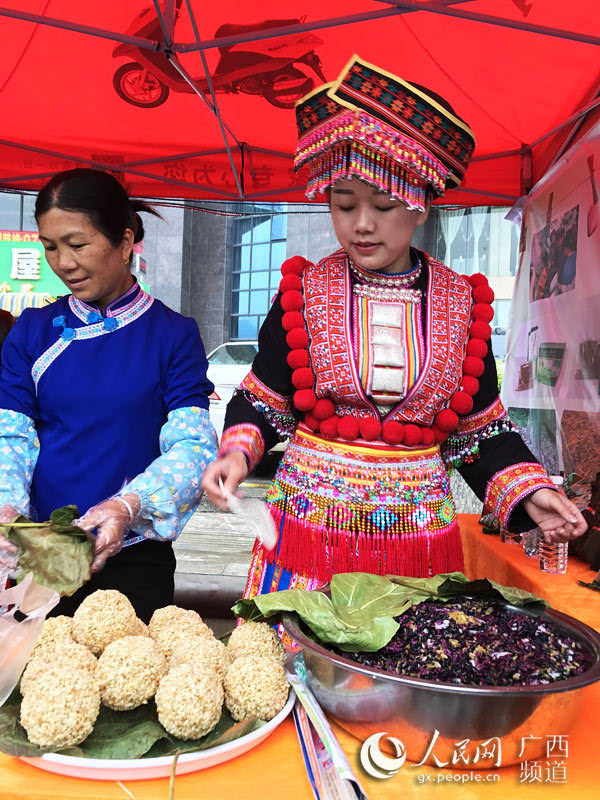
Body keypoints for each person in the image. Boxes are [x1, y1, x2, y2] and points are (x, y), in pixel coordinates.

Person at [202, 55, 586, 604]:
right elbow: (263, 401)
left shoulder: (461, 303)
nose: (361, 223)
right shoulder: (303, 293)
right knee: (295, 670)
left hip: (415, 539)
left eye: (383, 205)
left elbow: (479, 430)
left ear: (423, 205)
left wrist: (530, 493)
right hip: (307, 533)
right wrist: (237, 453)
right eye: (343, 205)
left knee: (403, 668)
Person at [0, 169, 217, 621]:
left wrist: (127, 506)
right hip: (40, 557)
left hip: (134, 560)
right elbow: (11, 438)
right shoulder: (33, 332)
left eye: (77, 245)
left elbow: (193, 447)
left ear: (124, 242)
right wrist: (7, 512)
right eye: (50, 247)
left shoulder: (173, 336)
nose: (63, 263)